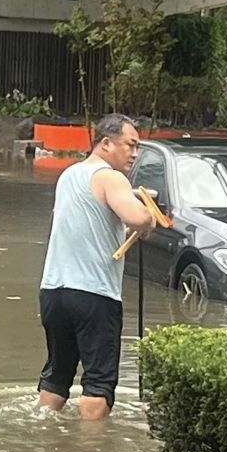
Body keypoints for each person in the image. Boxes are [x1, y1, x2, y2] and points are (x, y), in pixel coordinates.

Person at [37, 113, 156, 420]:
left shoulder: (69, 174)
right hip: (93, 294)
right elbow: (136, 217)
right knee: (99, 383)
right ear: (105, 143)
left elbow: (89, 227)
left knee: (57, 376)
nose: (134, 153)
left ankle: (46, 435)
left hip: (53, 292)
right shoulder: (111, 177)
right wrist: (148, 218)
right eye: (130, 145)